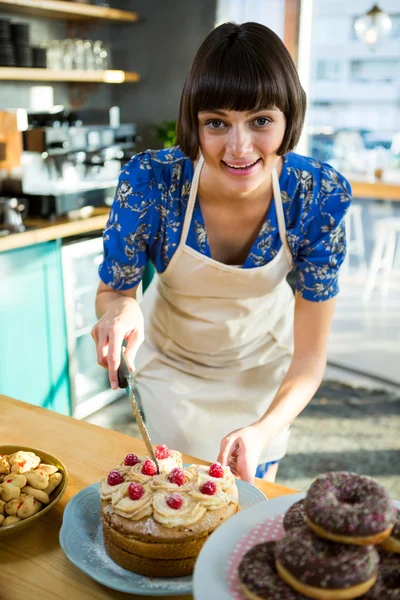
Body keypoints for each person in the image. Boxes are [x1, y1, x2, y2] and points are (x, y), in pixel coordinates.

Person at [92, 22, 351, 484]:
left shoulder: (314, 195)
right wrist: (121, 310)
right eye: (216, 122)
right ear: (194, 121)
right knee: (177, 501)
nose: (238, 147)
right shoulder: (153, 184)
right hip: (171, 370)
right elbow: (115, 290)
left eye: (261, 121)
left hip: (265, 374)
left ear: (290, 117)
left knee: (248, 505)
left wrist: (262, 430)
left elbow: (311, 356)